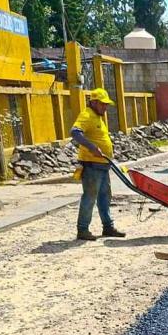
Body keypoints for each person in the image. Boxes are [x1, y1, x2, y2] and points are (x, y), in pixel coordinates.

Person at [70, 88, 126, 241]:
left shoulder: (97, 116)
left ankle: (108, 227)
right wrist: (92, 148)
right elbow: (75, 132)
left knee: (104, 196)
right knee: (90, 197)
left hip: (102, 165)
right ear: (94, 102)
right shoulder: (87, 115)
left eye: (106, 105)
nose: (105, 107)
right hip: (91, 165)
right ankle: (82, 230)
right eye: (102, 104)